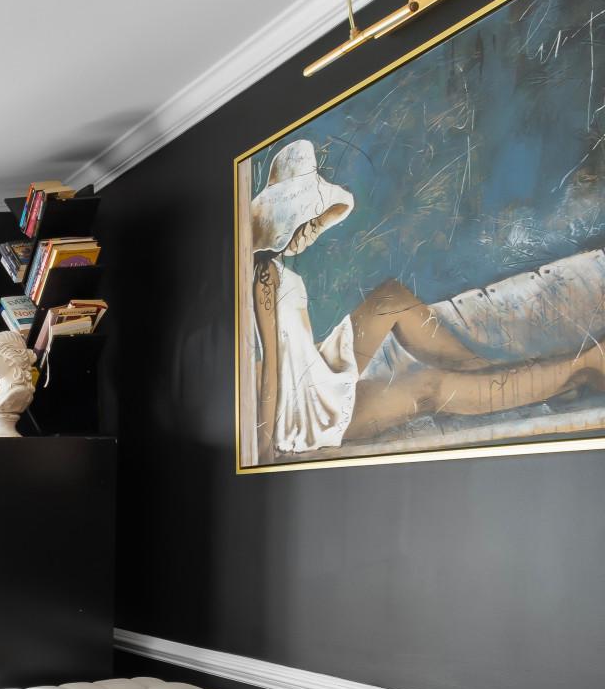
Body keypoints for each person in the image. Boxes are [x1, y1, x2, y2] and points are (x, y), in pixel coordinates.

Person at [248, 139, 605, 459]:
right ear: (285, 221)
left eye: (315, 222)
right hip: (299, 413)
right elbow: (268, 373)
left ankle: (482, 363)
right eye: (308, 222)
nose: (313, 231)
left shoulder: (281, 274)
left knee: (390, 297)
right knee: (431, 386)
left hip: (314, 374)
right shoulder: (264, 276)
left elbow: (287, 349)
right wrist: (265, 451)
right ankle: (581, 367)